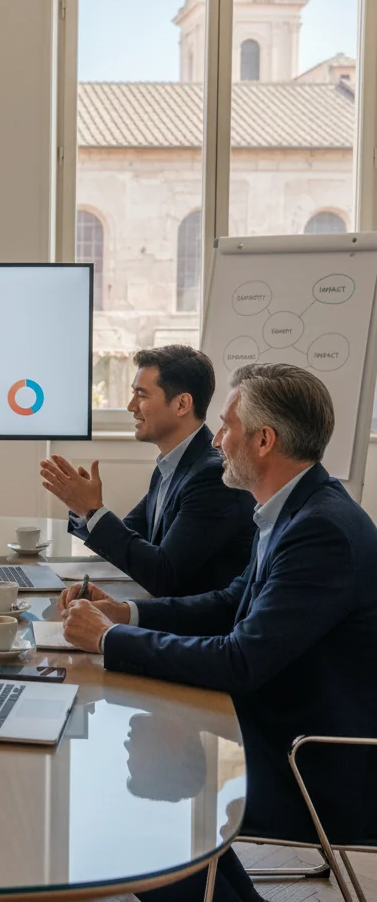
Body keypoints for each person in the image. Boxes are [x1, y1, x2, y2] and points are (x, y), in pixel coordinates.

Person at [59, 362, 377, 902]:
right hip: (275, 726)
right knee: (139, 759)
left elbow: (240, 660)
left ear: (264, 440)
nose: (217, 439)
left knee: (137, 792)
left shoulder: (319, 530)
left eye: (226, 426)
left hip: (317, 766)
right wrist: (126, 616)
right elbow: (233, 601)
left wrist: (107, 641)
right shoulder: (294, 506)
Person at [41, 344, 255, 596]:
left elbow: (162, 574)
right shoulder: (170, 465)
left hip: (191, 626)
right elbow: (132, 538)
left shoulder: (212, 476)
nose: (131, 406)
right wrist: (83, 509)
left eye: (141, 395)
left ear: (182, 404)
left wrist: (93, 510)